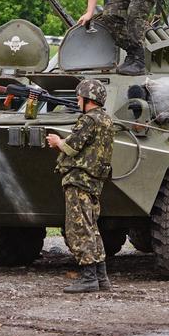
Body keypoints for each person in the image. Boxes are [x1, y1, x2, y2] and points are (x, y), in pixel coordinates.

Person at [46, 79, 114, 293]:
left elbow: (72, 147)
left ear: (88, 99)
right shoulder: (106, 119)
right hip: (94, 180)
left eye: (79, 97)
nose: (76, 100)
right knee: (92, 227)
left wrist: (57, 141)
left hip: (79, 180)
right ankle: (101, 277)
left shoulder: (88, 120)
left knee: (78, 228)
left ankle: (88, 277)